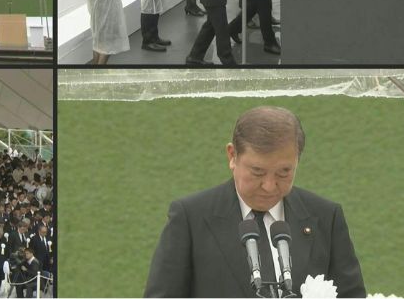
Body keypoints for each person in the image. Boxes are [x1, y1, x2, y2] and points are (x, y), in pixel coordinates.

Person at [144, 106, 366, 298]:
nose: (269, 186)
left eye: (284, 172)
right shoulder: (191, 217)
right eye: (257, 171)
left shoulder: (326, 216)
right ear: (232, 156)